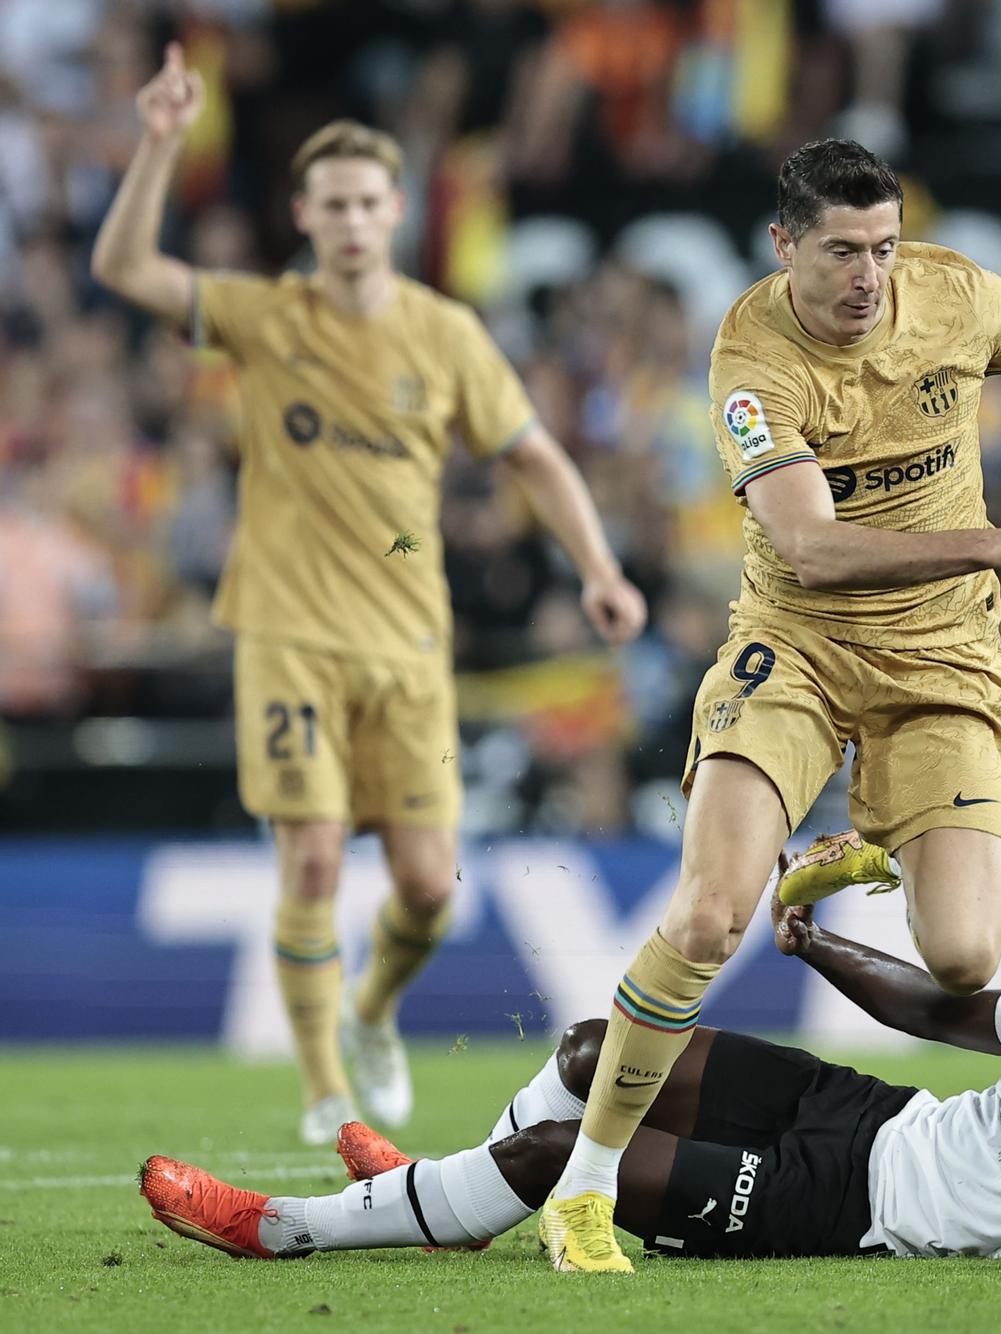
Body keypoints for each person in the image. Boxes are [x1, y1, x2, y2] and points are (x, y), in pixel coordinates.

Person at [534, 137, 1001, 1271]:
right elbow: (809, 546)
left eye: (883, 246)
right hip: (795, 644)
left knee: (965, 956)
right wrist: (1000, 540)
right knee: (703, 914)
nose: (868, 275)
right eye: (841, 250)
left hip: (941, 662)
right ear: (784, 243)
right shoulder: (753, 355)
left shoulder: (956, 295)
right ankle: (585, 1186)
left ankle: (826, 858)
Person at [90, 46, 648, 1144]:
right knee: (309, 850)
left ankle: (374, 1011)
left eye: (366, 200)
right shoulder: (263, 316)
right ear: (302, 212)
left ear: (395, 209)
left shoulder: (443, 333)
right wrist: (159, 142)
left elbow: (533, 455)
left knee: (431, 887)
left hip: (406, 645)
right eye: (330, 201)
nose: (349, 218)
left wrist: (599, 568)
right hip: (287, 633)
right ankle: (321, 1088)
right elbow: (123, 269)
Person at [138, 889, 1001, 1267]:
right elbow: (948, 1007)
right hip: (874, 1114)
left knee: (564, 1163)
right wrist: (817, 942)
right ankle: (447, 1199)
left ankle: (284, 1228)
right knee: (603, 1054)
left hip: (850, 1209)